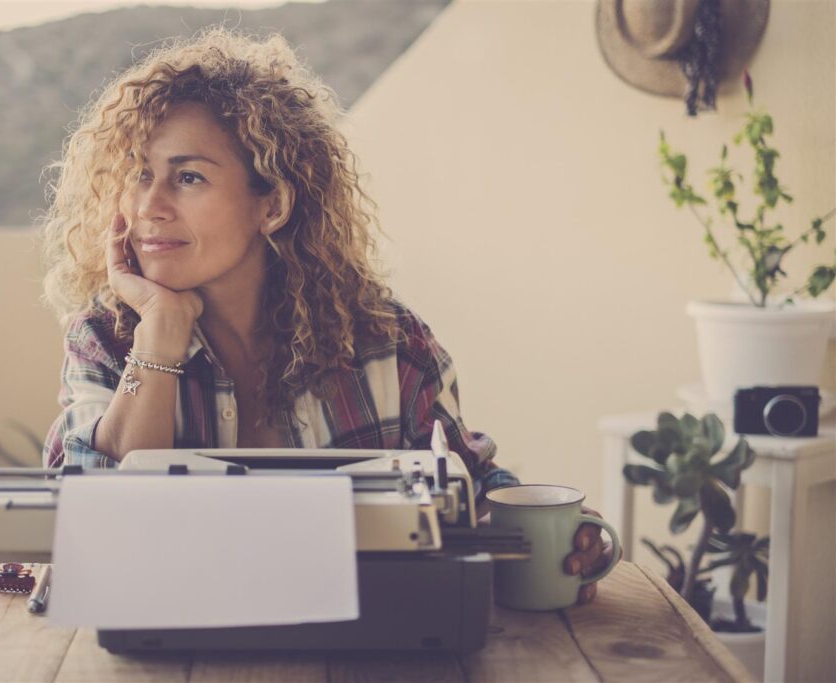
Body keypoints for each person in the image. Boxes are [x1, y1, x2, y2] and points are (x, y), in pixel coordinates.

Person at [39, 27, 613, 604]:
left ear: (274, 205)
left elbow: (471, 487)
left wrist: (560, 541)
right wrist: (158, 339)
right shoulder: (106, 339)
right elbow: (87, 531)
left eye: (188, 177)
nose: (148, 205)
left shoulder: (389, 343)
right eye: (140, 173)